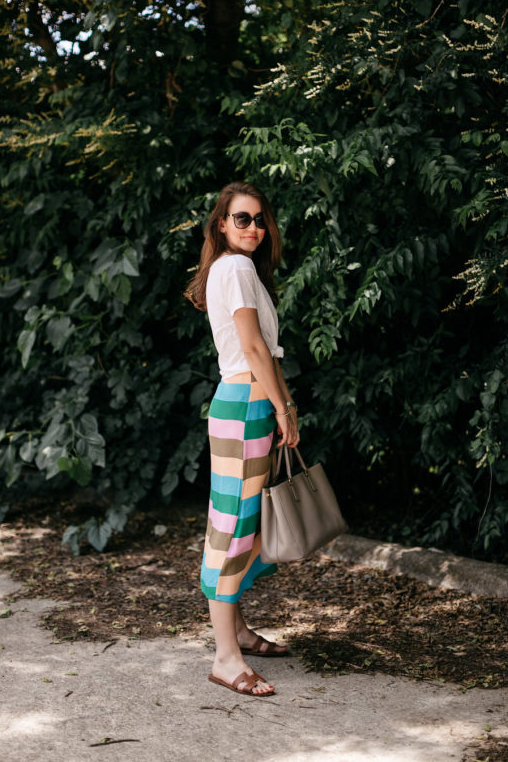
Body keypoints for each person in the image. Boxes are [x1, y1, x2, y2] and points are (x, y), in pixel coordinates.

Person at [185, 181, 300, 698]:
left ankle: (240, 633)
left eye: (258, 219)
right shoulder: (234, 268)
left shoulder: (238, 269)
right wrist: (284, 407)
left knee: (244, 525)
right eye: (241, 219)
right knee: (232, 527)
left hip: (249, 407)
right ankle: (225, 658)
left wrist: (282, 404)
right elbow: (253, 347)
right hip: (246, 406)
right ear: (221, 225)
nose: (252, 228)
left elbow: (265, 353)